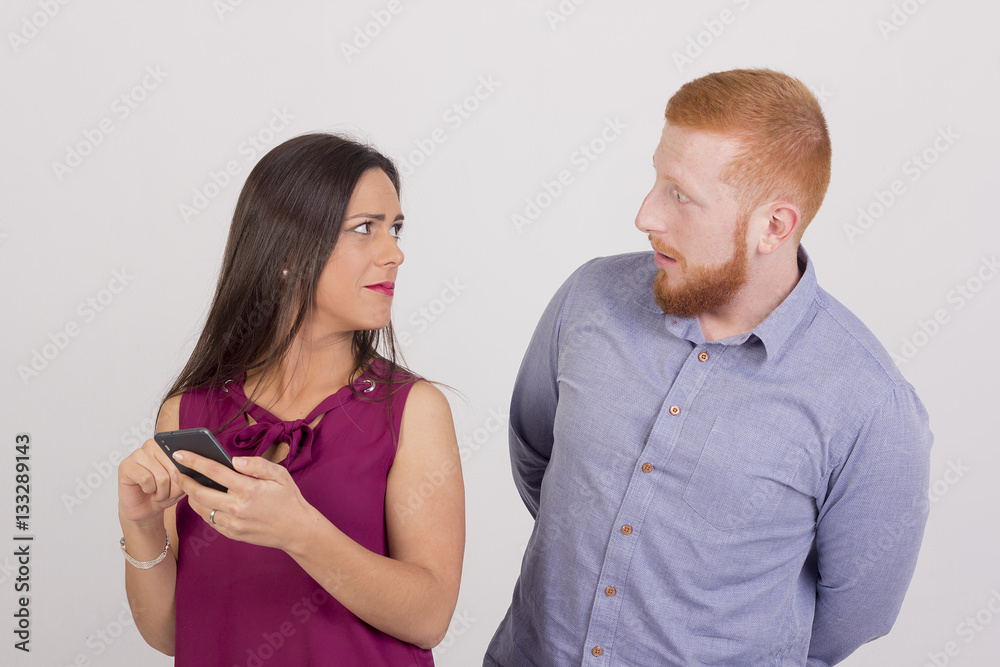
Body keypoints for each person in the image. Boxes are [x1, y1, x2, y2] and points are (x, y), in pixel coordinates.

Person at [485, 69, 932, 666]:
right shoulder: (591, 297)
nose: (645, 215)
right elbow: (536, 454)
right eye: (655, 180)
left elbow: (856, 612)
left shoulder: (869, 404)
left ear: (774, 226)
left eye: (680, 195)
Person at [117, 134, 465, 666]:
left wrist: (299, 532)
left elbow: (430, 616)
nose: (395, 253)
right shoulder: (187, 414)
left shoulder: (413, 411)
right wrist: (141, 525)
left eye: (394, 228)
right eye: (365, 228)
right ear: (286, 251)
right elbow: (171, 632)